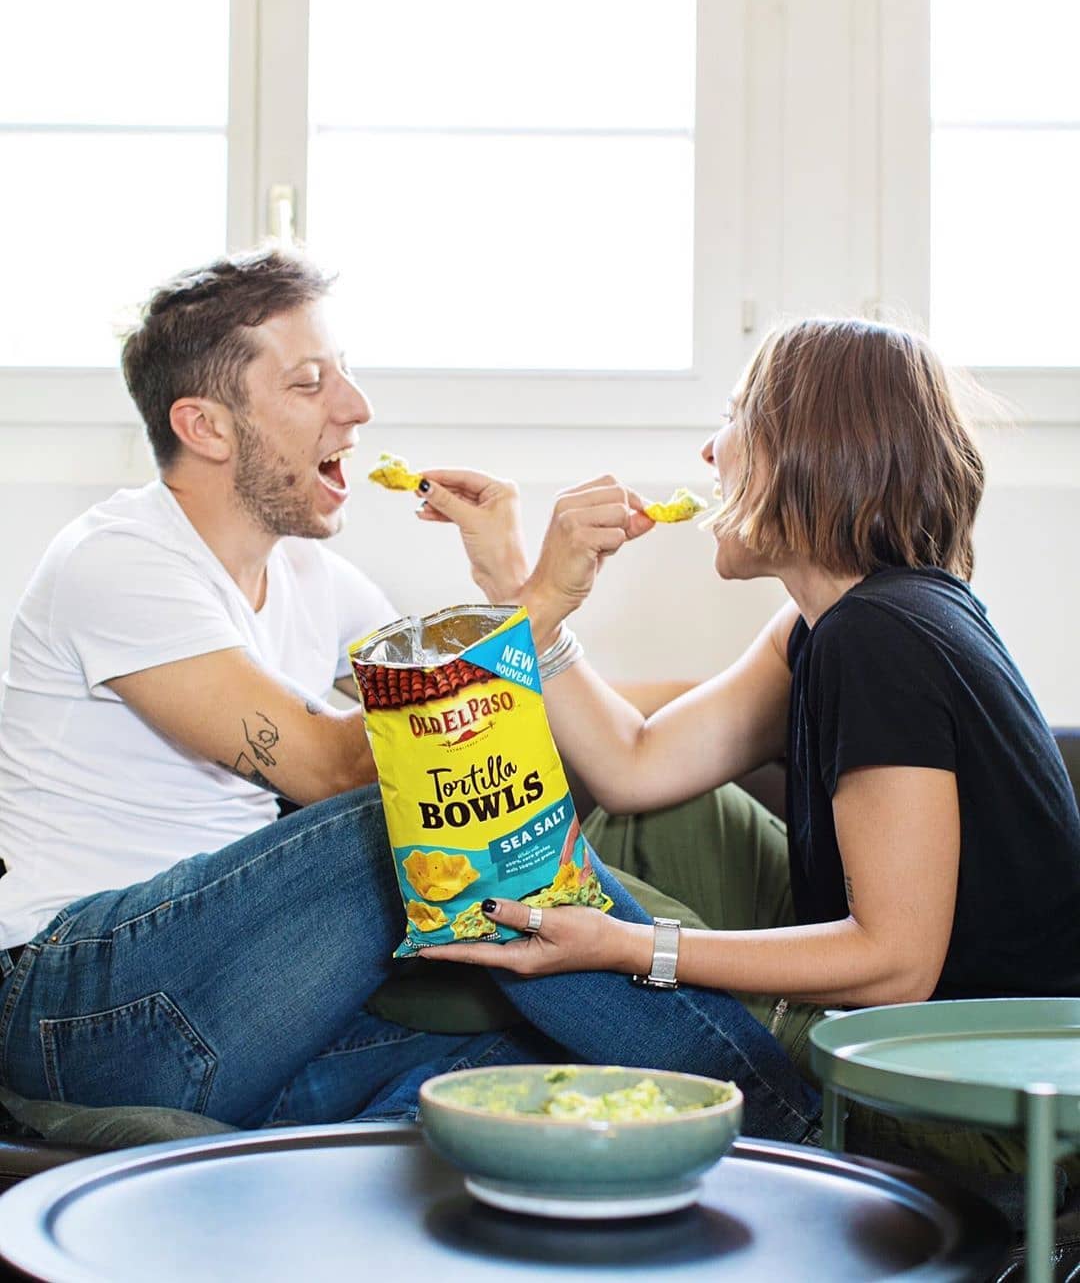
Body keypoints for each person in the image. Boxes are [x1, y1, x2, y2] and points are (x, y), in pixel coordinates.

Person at [0, 247, 819, 1144]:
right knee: (418, 815)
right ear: (205, 426)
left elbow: (490, 719)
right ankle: (799, 1122)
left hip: (249, 1013)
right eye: (310, 383)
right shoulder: (119, 563)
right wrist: (538, 600)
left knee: (538, 1057)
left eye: (346, 373)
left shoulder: (314, 578)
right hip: (87, 1006)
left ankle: (341, 1175)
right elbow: (344, 768)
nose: (356, 407)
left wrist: (754, 705)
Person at [412, 317, 1080, 1177]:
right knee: (661, 820)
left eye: (734, 418)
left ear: (808, 452)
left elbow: (895, 966)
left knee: (583, 941)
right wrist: (521, 588)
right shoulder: (831, 625)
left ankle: (440, 1047)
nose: (708, 452)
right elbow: (636, 766)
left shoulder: (880, 639)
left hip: (979, 1106)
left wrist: (630, 946)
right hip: (944, 1042)